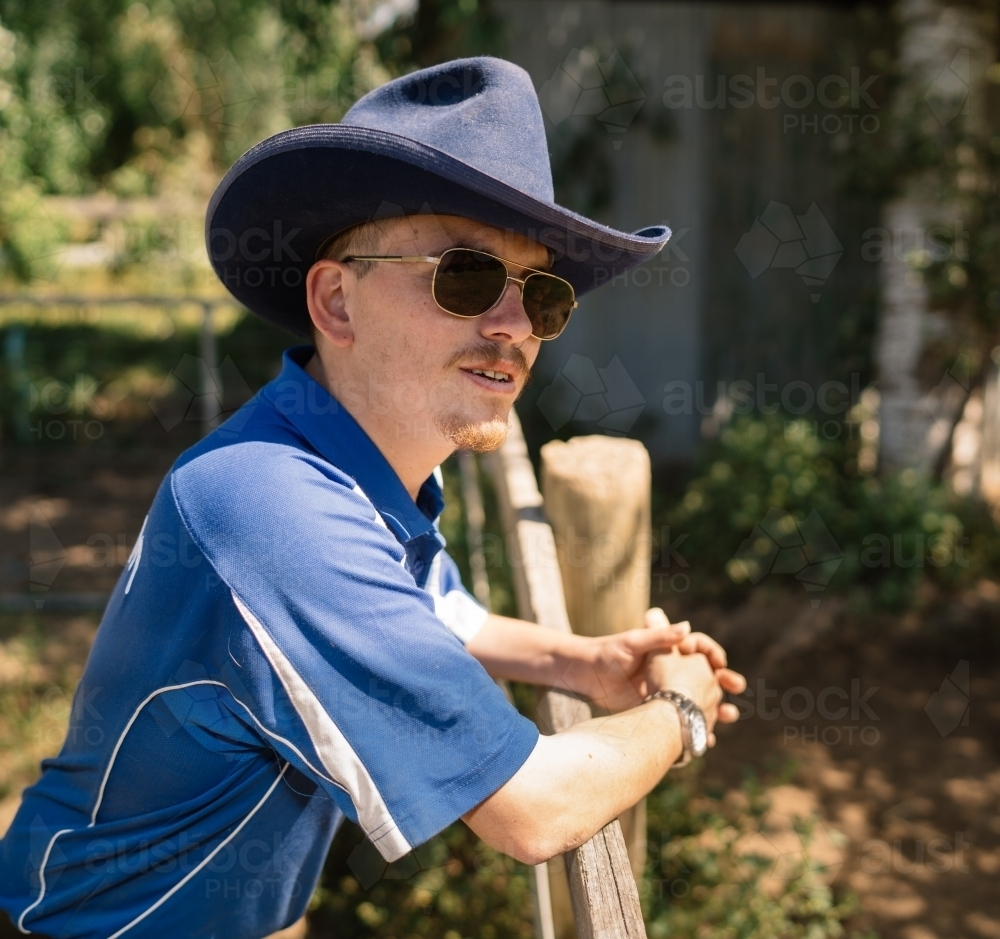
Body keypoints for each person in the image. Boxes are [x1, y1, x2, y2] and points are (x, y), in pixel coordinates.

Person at [0, 56, 745, 939]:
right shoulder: (276, 510)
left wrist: (581, 662)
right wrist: (681, 709)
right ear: (336, 299)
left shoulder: (341, 461)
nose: (512, 325)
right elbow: (533, 810)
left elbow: (441, 613)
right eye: (465, 275)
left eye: (542, 295)